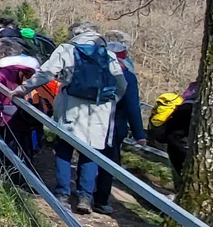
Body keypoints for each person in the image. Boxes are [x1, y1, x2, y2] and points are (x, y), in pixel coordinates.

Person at [14, 20, 125, 213]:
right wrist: (111, 100)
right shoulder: (107, 54)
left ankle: (63, 194)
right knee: (91, 152)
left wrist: (23, 89)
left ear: (75, 34)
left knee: (64, 149)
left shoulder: (67, 49)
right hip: (100, 111)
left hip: (71, 107)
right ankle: (85, 197)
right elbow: (122, 84)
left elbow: (46, 74)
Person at [90, 30, 146, 215]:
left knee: (88, 155)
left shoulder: (96, 70)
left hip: (91, 120)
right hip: (114, 125)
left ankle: (84, 192)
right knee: (109, 162)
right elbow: (132, 106)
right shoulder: (127, 76)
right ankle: (100, 200)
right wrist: (139, 134)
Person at [0, 38, 44, 161]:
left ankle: (12, 170)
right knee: (25, 143)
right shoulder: (28, 68)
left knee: (11, 146)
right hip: (28, 111)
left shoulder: (5, 71)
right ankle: (26, 167)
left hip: (9, 115)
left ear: (2, 55)